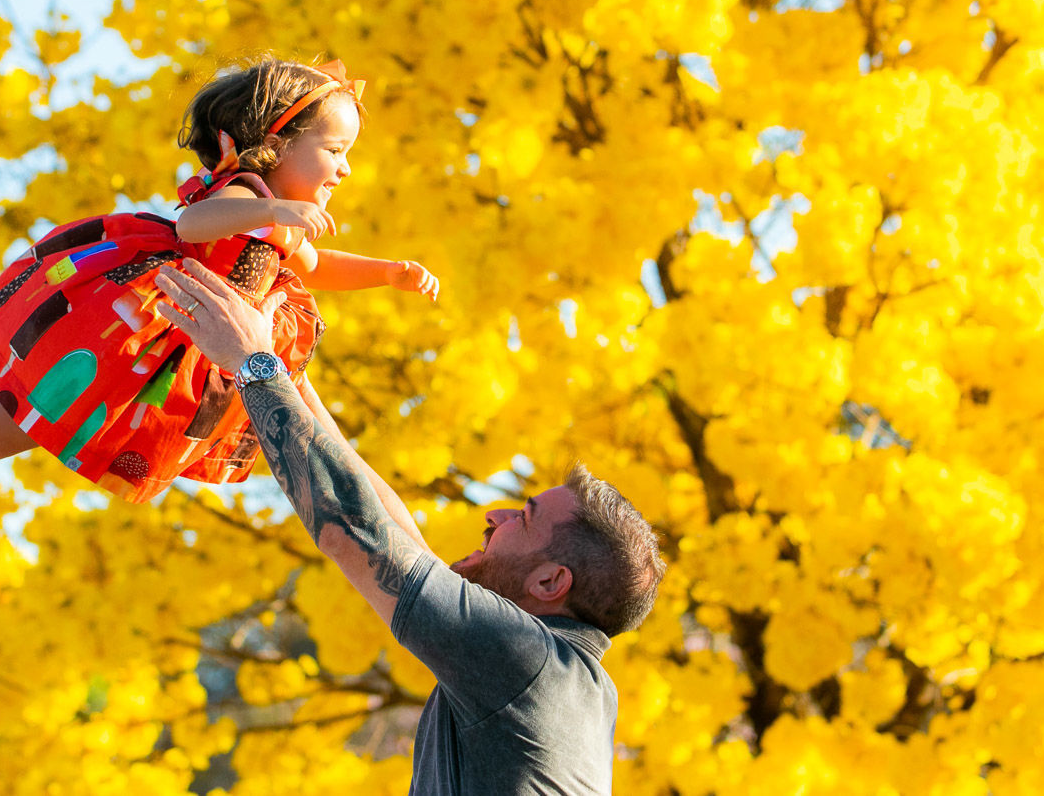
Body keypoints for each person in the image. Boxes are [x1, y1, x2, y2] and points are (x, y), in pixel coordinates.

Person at [0, 57, 440, 553]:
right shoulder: (244, 191)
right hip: (128, 336)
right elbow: (195, 226)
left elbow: (320, 267)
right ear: (275, 141)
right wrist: (271, 206)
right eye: (334, 151)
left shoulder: (286, 222)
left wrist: (391, 273)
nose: (344, 170)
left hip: (180, 352)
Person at [152, 258, 666, 796]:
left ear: (549, 583)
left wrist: (252, 364)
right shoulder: (572, 680)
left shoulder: (521, 658)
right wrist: (284, 369)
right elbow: (395, 531)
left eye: (524, 517)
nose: (495, 514)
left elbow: (357, 528)